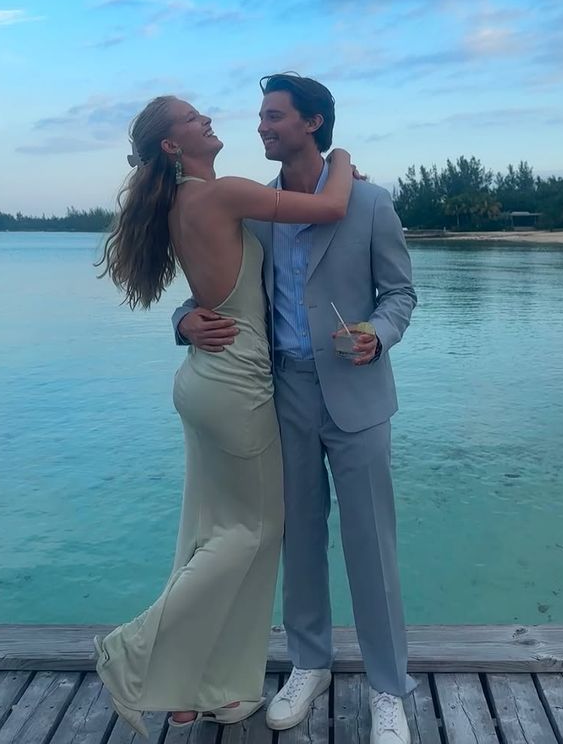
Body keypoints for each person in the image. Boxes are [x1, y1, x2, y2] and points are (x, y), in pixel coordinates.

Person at [95, 94, 355, 738]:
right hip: (236, 387)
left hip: (205, 383)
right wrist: (342, 154)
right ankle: (134, 652)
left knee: (209, 532)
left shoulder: (190, 202)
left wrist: (184, 318)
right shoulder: (221, 195)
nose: (206, 118)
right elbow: (331, 205)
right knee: (254, 531)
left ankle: (197, 688)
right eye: (191, 118)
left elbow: (213, 287)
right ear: (173, 147)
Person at [174, 74, 417, 744]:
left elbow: (400, 295)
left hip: (359, 397)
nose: (260, 126)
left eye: (273, 116)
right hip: (279, 396)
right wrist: (184, 320)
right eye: (259, 116)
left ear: (311, 123)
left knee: (371, 546)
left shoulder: (368, 202)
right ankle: (307, 664)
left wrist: (377, 333)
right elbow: (213, 290)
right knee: (299, 541)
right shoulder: (253, 212)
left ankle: (389, 689)